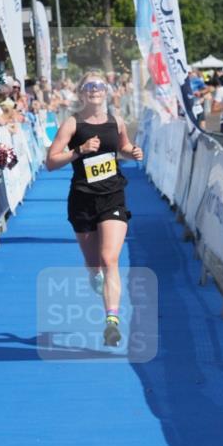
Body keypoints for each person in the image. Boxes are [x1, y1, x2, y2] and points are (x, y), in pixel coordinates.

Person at [45, 71, 143, 348]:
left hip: (113, 196)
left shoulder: (116, 122)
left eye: (99, 85)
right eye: (89, 86)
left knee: (109, 258)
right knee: (94, 263)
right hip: (82, 199)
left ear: (107, 91)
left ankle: (111, 321)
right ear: (81, 92)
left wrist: (132, 151)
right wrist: (80, 151)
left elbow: (122, 147)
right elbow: (51, 162)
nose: (95, 90)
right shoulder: (72, 124)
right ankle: (93, 274)